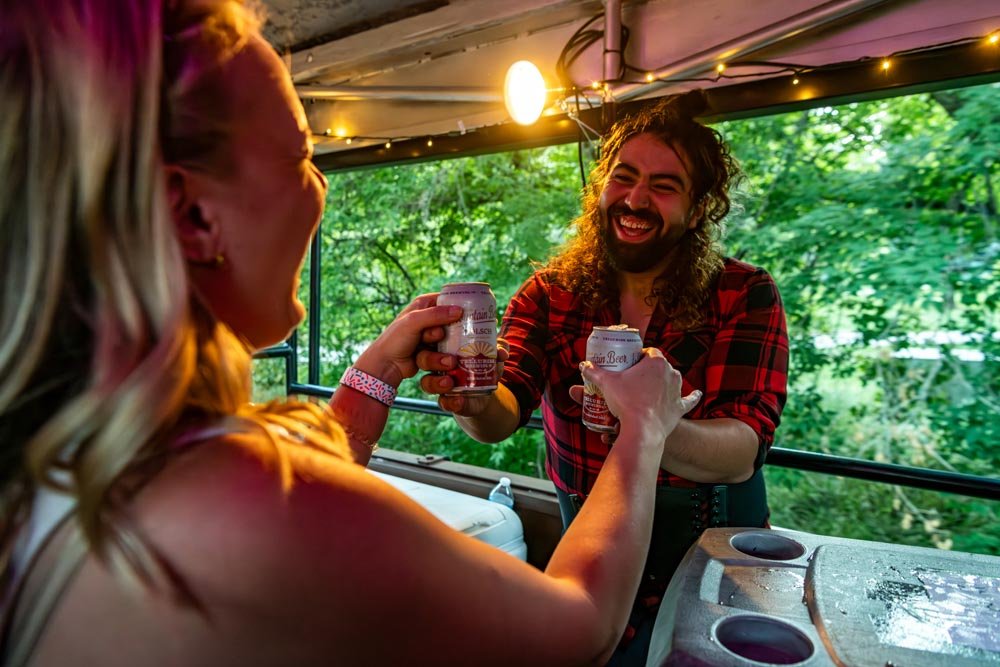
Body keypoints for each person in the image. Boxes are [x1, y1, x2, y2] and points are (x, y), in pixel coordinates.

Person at [0, 1, 702, 665]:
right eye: (303, 157)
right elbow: (578, 628)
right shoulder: (244, 509)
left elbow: (297, 480)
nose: (322, 188)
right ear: (193, 218)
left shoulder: (61, 455)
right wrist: (643, 426)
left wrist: (375, 374)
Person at [420, 92, 789, 664]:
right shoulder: (550, 293)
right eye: (625, 177)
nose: (637, 199)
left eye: (665, 186)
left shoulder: (744, 293)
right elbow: (502, 412)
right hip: (591, 540)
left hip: (714, 555)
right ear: (601, 188)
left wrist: (648, 424)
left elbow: (743, 449)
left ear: (697, 211)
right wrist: (468, 397)